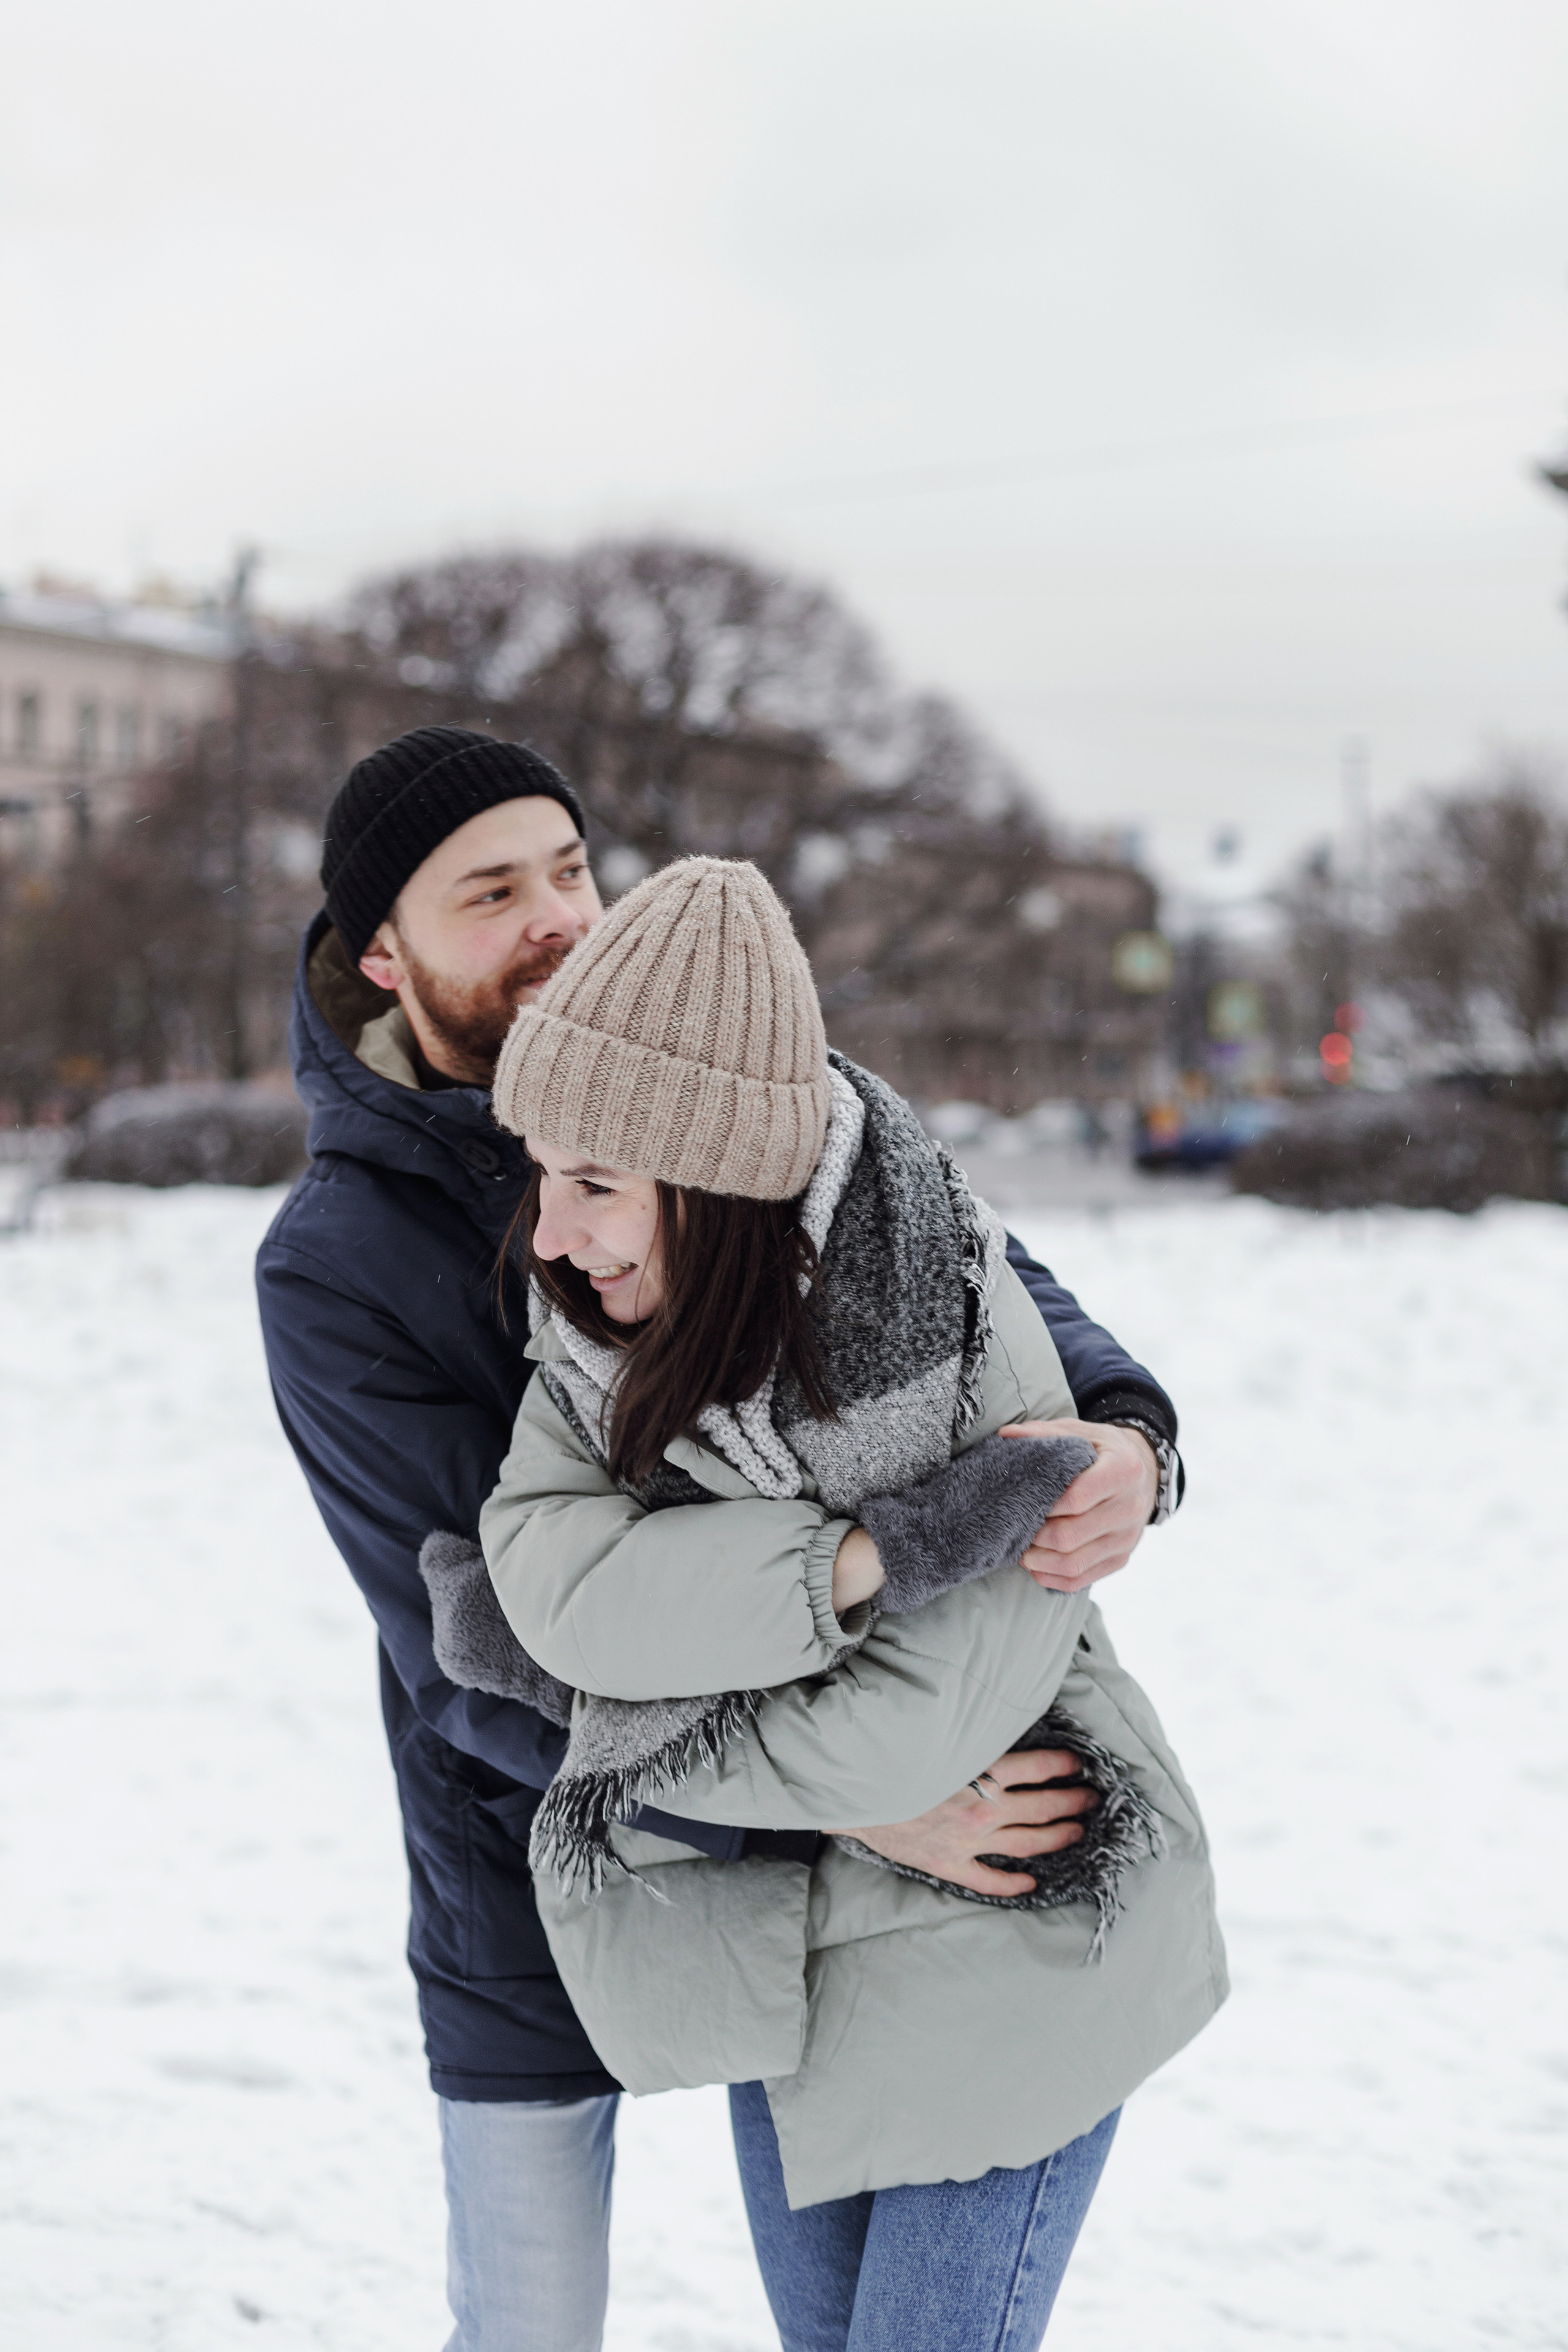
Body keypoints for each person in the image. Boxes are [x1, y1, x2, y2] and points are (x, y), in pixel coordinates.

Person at [255, 728, 1188, 2351]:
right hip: (547, 1851)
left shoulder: (723, 1064)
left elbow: (981, 1276)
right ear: (381, 954)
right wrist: (851, 1798)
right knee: (532, 2327)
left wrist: (1124, 1428)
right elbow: (477, 1642)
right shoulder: (342, 1255)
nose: (558, 915)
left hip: (867, 1838)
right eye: (492, 892)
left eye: (569, 868)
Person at [467, 854, 1224, 2350]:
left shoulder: (939, 1325)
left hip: (1010, 1917)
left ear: (716, 1184)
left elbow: (908, 1740)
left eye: (595, 1185)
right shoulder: (597, 1346)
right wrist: (858, 1563)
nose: (549, 1236)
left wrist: (654, 1725)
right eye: (543, 1175)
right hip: (797, 1964)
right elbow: (553, 1591)